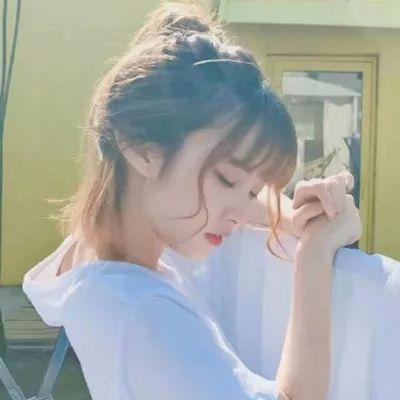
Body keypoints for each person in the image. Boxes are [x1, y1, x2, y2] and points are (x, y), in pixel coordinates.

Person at [22, 2, 365, 399]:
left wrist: (297, 216)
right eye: (227, 179)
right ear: (143, 148)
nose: (241, 214)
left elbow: (238, 200)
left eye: (253, 190)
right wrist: (315, 255)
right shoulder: (144, 314)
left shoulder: (98, 246)